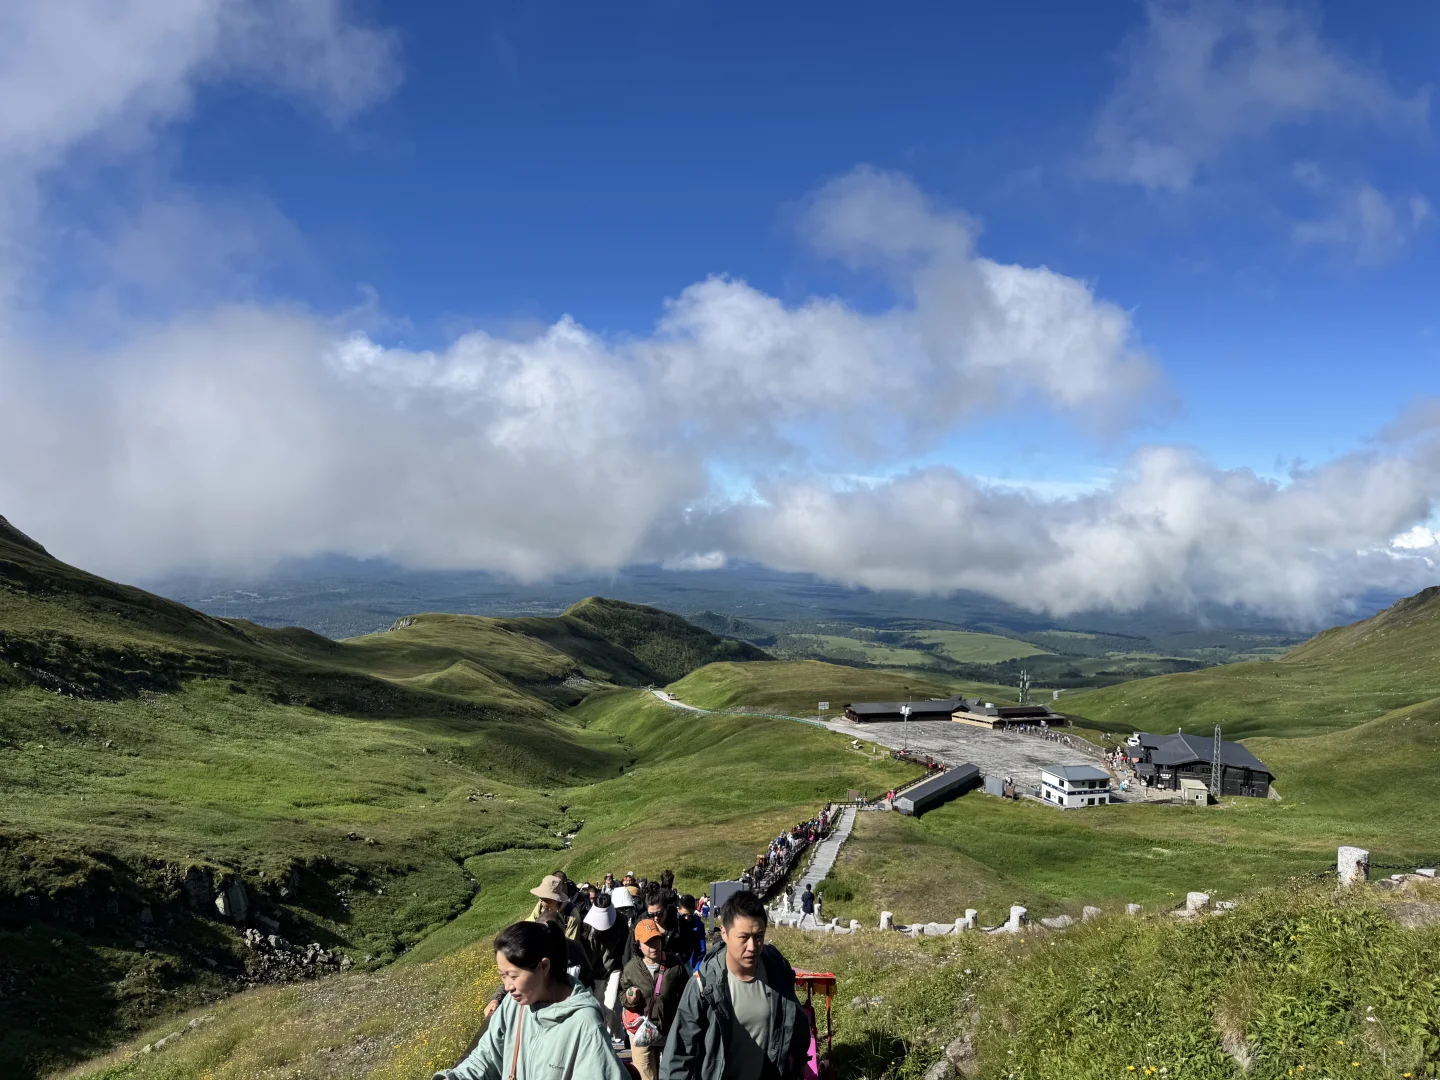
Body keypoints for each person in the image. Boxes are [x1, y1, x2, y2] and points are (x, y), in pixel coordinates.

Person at [435, 919, 626, 1080]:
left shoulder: (585, 1025)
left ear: (543, 967)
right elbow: (487, 1056)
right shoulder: (514, 1004)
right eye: (502, 976)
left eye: (513, 976)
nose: (508, 986)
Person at [659, 889, 809, 1080]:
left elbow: (794, 1019)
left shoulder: (777, 973)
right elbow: (678, 1055)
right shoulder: (703, 986)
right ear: (724, 933)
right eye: (743, 937)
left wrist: (800, 1060)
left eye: (758, 936)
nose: (752, 947)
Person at [621, 918, 688, 1080]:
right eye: (648, 942)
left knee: (670, 1075)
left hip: (669, 1032)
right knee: (645, 1077)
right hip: (642, 1034)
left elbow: (687, 994)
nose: (654, 945)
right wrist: (629, 998)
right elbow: (622, 995)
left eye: (656, 939)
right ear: (638, 944)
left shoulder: (675, 965)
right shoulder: (631, 968)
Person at [580, 893, 630, 1048]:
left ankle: (613, 1034)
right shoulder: (586, 924)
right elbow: (584, 951)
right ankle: (607, 1036)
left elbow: (625, 948)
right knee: (599, 1006)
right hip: (594, 971)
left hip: (614, 968)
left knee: (612, 1003)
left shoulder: (621, 923)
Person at [674, 894, 706, 971]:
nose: (686, 918)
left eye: (690, 915)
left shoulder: (698, 924)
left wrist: (697, 970)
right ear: (678, 909)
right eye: (684, 914)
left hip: (690, 964)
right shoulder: (672, 922)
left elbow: (701, 950)